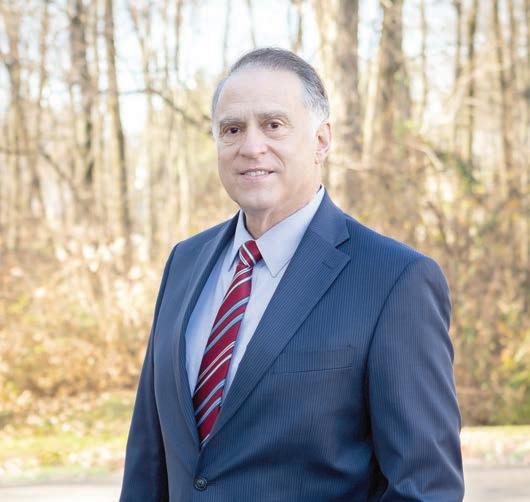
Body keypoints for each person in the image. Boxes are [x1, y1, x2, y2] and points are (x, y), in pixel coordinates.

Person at [120, 48, 464, 501]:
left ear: (321, 140)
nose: (251, 147)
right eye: (232, 129)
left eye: (274, 125)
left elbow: (425, 488)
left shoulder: (395, 280)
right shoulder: (184, 263)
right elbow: (148, 463)